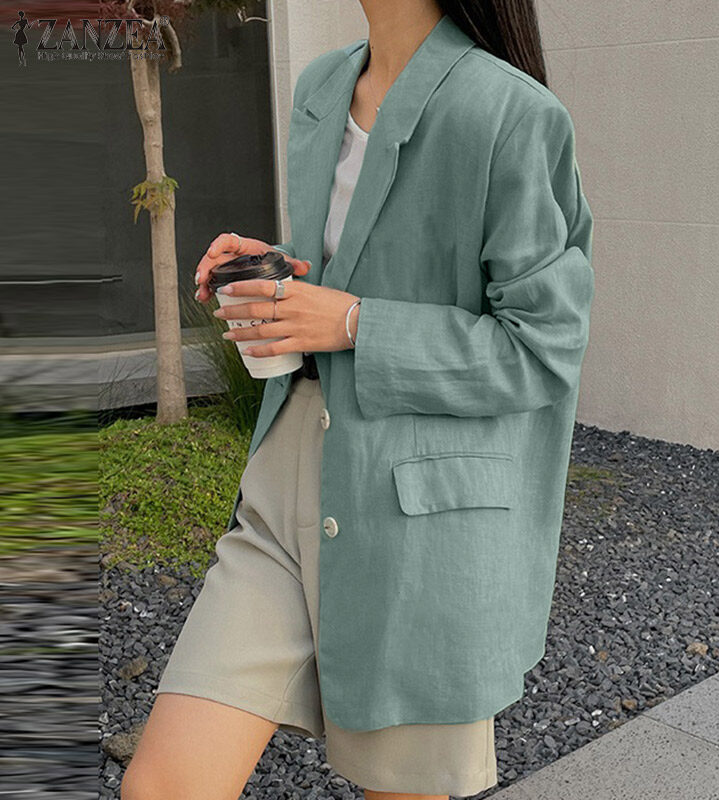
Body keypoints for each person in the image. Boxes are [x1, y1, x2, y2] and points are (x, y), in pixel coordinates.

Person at [122, 1, 595, 798]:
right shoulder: (322, 85)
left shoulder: (511, 113)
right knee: (162, 786)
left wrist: (352, 323)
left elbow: (541, 348)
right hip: (286, 482)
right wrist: (273, 272)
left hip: (421, 517)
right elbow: (354, 264)